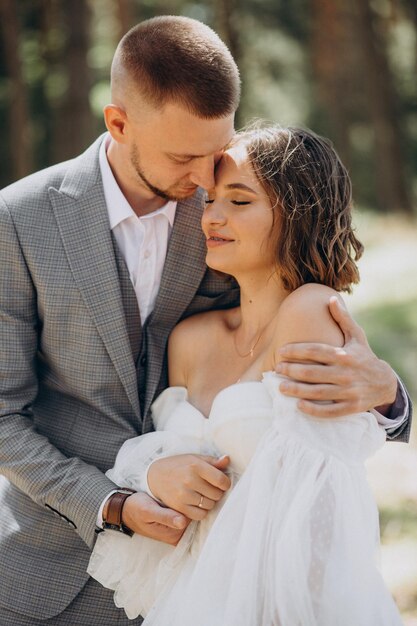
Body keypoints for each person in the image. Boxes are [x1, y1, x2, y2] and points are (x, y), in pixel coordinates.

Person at [0, 15, 410, 625]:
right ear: (118, 123)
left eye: (214, 153)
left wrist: (390, 398)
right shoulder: (19, 221)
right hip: (52, 575)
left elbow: (289, 342)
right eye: (183, 157)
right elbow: (5, 416)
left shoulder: (227, 209)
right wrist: (114, 502)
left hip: (219, 582)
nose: (202, 181)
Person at [88, 125, 405, 625]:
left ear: (300, 213)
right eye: (211, 199)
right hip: (189, 600)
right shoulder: (189, 339)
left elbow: (322, 515)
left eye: (239, 201)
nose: (211, 216)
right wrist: (155, 476)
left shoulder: (311, 312)